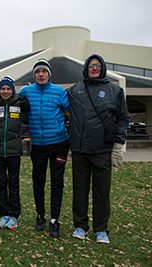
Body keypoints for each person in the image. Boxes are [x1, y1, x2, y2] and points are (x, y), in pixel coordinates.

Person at [68, 54, 130, 244]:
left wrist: (118, 145)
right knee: (80, 190)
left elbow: (123, 118)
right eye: (91, 66)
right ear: (86, 68)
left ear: (102, 68)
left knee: (102, 191)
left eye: (97, 65)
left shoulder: (115, 91)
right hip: (80, 151)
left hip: (102, 150)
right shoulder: (74, 90)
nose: (94, 68)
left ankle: (101, 229)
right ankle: (80, 226)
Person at [18, 59, 70, 238]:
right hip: (38, 144)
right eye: (38, 72)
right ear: (34, 75)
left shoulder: (59, 91)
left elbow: (71, 111)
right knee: (38, 181)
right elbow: (17, 109)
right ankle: (40, 215)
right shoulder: (26, 92)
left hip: (59, 144)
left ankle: (54, 219)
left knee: (57, 181)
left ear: (49, 74)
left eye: (44, 71)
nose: (41, 74)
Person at [0, 76, 29, 230]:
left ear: (12, 91)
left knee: (13, 183)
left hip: (13, 151)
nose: (5, 91)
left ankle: (14, 215)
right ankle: (3, 214)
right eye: (3, 89)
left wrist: (19, 134)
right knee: (0, 183)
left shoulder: (20, 105)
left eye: (8, 89)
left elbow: (27, 120)